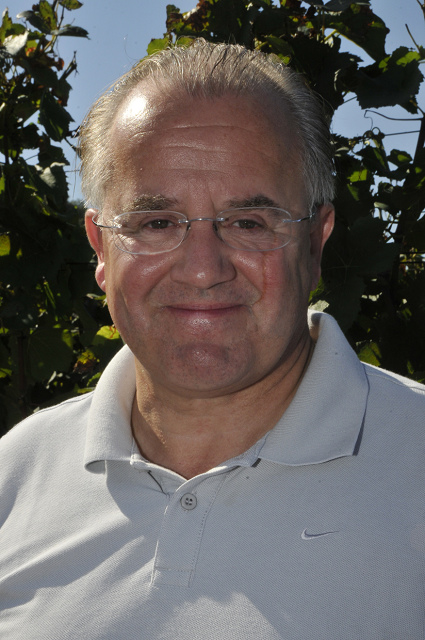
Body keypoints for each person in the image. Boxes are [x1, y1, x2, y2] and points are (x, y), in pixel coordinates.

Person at [1, 39, 424, 640]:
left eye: (249, 222)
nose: (203, 269)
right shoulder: (16, 475)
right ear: (100, 248)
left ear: (315, 242)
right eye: (156, 222)